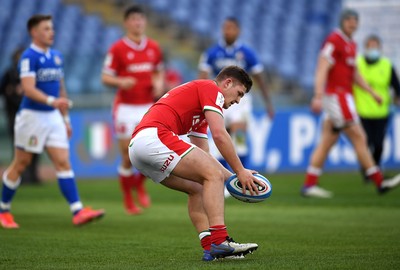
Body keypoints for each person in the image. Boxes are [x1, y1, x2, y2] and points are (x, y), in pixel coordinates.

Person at [128, 66, 261, 261]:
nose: (238, 101)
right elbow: (220, 135)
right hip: (154, 137)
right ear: (227, 83)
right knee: (212, 175)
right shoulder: (211, 89)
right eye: (239, 94)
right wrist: (239, 172)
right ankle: (220, 241)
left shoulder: (201, 110)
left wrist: (232, 178)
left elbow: (204, 156)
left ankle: (210, 249)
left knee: (200, 186)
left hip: (139, 149)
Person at [0, 14, 104, 229]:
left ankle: (78, 211)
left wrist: (65, 117)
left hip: (53, 116)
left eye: (52, 28)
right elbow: (28, 88)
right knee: (21, 163)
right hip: (32, 117)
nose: (51, 32)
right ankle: (3, 210)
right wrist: (52, 101)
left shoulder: (56, 56)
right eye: (46, 28)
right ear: (34, 32)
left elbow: (61, 87)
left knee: (63, 162)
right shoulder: (29, 57)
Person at [301, 9, 400, 198]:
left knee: (327, 141)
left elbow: (354, 73)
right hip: (337, 96)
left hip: (342, 96)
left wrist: (372, 93)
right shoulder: (334, 40)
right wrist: (318, 95)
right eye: (349, 20)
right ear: (342, 22)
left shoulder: (351, 44)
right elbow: (322, 66)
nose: (352, 24)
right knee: (359, 136)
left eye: (355, 21)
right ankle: (380, 181)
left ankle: (309, 184)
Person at [102, 5, 164, 215]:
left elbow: (158, 72)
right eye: (133, 19)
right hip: (126, 108)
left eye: (141, 19)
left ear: (144, 22)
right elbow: (105, 77)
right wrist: (120, 81)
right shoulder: (117, 48)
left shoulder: (154, 47)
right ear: (126, 22)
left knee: (151, 154)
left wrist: (158, 84)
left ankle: (140, 185)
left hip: (148, 107)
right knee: (128, 157)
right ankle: (128, 199)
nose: (137, 23)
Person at [198, 17, 274, 169]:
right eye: (226, 28)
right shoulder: (212, 53)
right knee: (219, 140)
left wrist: (268, 103)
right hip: (219, 100)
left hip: (240, 102)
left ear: (238, 31)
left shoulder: (247, 53)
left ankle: (241, 178)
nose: (228, 31)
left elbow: (259, 79)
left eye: (232, 28)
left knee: (239, 140)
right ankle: (225, 181)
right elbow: (202, 78)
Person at [353, 34, 400, 181]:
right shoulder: (357, 64)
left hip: (381, 112)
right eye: (370, 46)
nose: (373, 49)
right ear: (365, 48)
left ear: (380, 48)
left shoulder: (386, 65)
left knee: (378, 144)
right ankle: (368, 171)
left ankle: (374, 169)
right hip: (361, 112)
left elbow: (396, 87)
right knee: (365, 143)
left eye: (375, 47)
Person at [0, 48, 42, 185]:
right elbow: (3, 90)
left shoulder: (34, 73)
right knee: (20, 148)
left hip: (33, 115)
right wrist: (12, 92)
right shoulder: (10, 73)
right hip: (15, 115)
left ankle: (33, 176)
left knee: (35, 147)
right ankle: (20, 177)